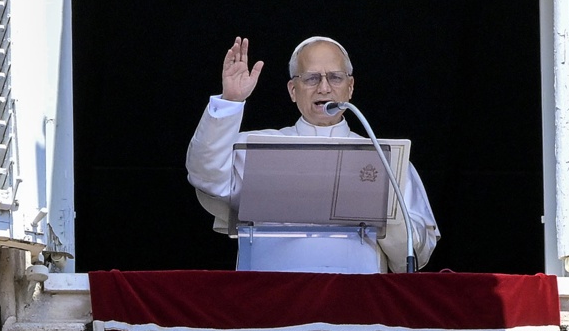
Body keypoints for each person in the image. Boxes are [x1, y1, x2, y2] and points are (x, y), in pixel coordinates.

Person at [186, 36, 440, 273]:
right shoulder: (259, 147)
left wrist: (379, 211)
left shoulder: (383, 157)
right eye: (311, 79)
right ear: (292, 90)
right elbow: (205, 174)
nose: (324, 88)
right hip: (271, 298)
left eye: (335, 78)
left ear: (350, 88)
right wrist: (230, 101)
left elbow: (416, 250)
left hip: (357, 301)